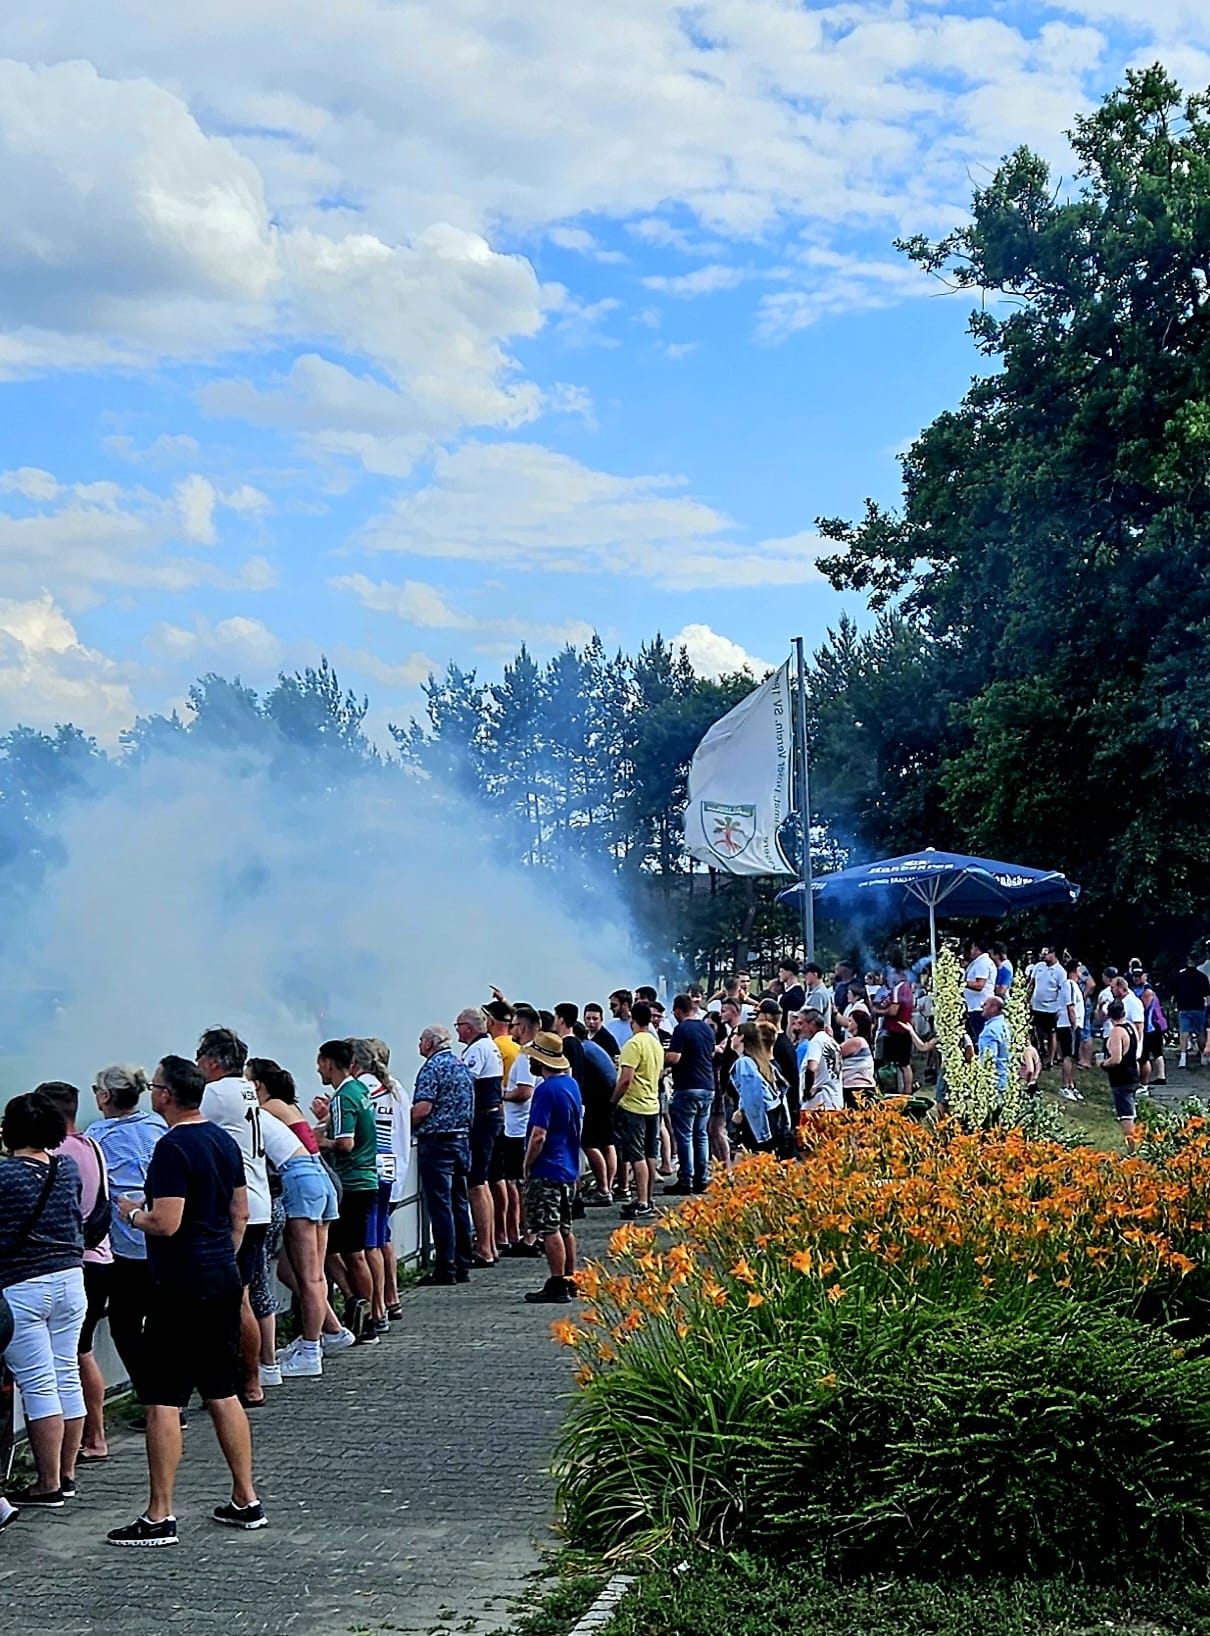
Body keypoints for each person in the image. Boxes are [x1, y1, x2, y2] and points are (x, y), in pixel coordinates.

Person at [108, 1054, 265, 1545]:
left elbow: (167, 1221)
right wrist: (222, 1257)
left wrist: (133, 1213)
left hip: (179, 1285)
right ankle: (246, 1498)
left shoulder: (173, 1148)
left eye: (155, 1085)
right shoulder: (222, 1139)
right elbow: (239, 1212)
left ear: (166, 1095)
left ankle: (159, 1515)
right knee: (222, 1390)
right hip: (220, 1275)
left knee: (161, 1399)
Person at [0, 1091, 86, 1512]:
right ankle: (67, 1475)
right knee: (66, 1373)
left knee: (37, 1384)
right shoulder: (66, 1168)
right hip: (71, 1280)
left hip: (23, 1285)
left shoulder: (4, 1175)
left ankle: (46, 1483)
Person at [248, 1059, 342, 1378]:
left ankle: (311, 1350)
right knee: (294, 1270)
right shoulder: (286, 1106)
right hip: (319, 1178)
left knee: (310, 1276)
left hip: (299, 1181)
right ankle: (329, 1331)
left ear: (257, 1084)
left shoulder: (266, 1109)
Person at [196, 1027, 273, 1405]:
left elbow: (184, 1127)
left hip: (235, 1209)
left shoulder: (214, 1093)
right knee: (242, 1296)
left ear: (211, 1061)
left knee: (235, 1300)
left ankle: (244, 1382)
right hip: (258, 1201)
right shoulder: (245, 1088)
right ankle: (251, 1379)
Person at [88, 1064, 167, 1428]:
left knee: (124, 1324)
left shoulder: (97, 1136)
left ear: (105, 1096)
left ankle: (154, 1400)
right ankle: (170, 1399)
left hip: (127, 1245)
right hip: (165, 1238)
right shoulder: (156, 1126)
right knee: (162, 1322)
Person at [39, 1082, 112, 1466]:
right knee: (82, 1352)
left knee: (73, 1357)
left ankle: (90, 1438)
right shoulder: (91, 1145)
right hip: (100, 1257)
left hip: (72, 1261)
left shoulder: (55, 1155)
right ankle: (92, 1434)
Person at [313, 1038, 379, 1344]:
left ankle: (364, 1316)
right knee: (343, 1250)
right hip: (366, 1180)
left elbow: (345, 1143)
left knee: (350, 1253)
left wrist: (317, 1143)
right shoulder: (360, 1090)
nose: (318, 1070)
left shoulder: (342, 1098)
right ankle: (361, 1306)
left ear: (328, 1062)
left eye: (319, 1063)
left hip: (352, 1182)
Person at [520, 1033, 584, 1306]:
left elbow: (538, 1134)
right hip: (569, 1165)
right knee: (565, 1227)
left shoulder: (545, 1091)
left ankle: (557, 1282)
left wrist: (527, 1163)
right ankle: (571, 1278)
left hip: (547, 1167)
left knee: (548, 1228)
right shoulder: (571, 1084)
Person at [412, 1025, 475, 1286]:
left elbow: (423, 1108)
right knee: (460, 1203)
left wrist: (405, 1122)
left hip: (438, 1144)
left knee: (440, 1207)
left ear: (429, 1044)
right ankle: (463, 1263)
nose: (418, 1045)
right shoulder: (462, 1066)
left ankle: (445, 1267)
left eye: (420, 1040)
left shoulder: (432, 1068)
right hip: (462, 1141)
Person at [455, 1006, 505, 1267]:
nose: (457, 1030)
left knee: (476, 1183)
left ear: (469, 1027)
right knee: (483, 1181)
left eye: (459, 1025)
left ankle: (484, 1247)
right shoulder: (489, 1046)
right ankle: (491, 1244)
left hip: (482, 1118)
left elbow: (465, 1083)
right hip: (493, 1115)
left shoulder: (476, 1050)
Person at [612, 1000, 663, 1220]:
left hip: (634, 1105)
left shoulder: (633, 1045)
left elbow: (625, 1079)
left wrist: (613, 1101)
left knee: (636, 1155)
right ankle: (648, 1198)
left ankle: (641, 1201)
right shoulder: (655, 1043)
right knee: (650, 1154)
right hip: (652, 1104)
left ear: (632, 1019)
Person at [495, 1005, 538, 1258]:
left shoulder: (525, 1056)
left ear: (521, 1028)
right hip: (523, 1126)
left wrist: (500, 1094)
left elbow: (524, 1092)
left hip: (517, 1128)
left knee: (517, 1182)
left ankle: (524, 1234)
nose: (510, 1030)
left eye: (513, 1025)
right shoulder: (538, 1052)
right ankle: (531, 1233)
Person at [664, 993, 716, 1195]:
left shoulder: (681, 1028)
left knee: (685, 1136)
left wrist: (662, 1059)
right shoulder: (706, 1028)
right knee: (701, 1135)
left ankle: (686, 1179)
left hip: (687, 1087)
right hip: (707, 1086)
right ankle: (701, 1179)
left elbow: (674, 1058)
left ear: (678, 1010)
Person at [565, 1015, 617, 1205]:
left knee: (589, 1144)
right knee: (607, 1143)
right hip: (608, 1100)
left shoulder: (582, 1050)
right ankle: (608, 1187)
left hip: (596, 1101)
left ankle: (603, 1188)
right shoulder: (594, 1047)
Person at [730, 1022, 789, 1150]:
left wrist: (761, 1134)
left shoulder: (744, 1063)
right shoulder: (760, 1061)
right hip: (769, 1116)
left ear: (742, 1037)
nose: (731, 1038)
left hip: (757, 1123)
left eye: (734, 1034)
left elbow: (752, 1098)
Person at [1102, 998, 1141, 1151]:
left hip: (1121, 1077)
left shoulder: (1117, 1032)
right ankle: (1134, 1144)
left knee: (1126, 1115)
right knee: (1131, 1110)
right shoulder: (1131, 1028)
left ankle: (1131, 1149)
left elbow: (1116, 1058)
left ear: (1110, 1016)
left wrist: (1103, 1064)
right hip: (1132, 1073)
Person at [875, 966, 914, 1095]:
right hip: (905, 1029)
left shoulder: (898, 989)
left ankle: (900, 1092)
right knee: (905, 1064)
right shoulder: (907, 988)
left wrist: (878, 1011)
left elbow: (893, 1011)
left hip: (896, 1030)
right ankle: (907, 1091)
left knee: (897, 1064)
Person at [1028, 949, 1066, 1068]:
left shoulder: (1060, 972)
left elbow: (1062, 991)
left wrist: (1059, 1008)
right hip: (1036, 1005)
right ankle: (1039, 1050)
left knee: (1051, 1033)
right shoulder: (1039, 966)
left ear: (1054, 954)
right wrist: (1026, 999)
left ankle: (1050, 1059)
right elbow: (1032, 983)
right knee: (1036, 1030)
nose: (1043, 955)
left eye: (1046, 953)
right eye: (1042, 953)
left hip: (1051, 1007)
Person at [799, 1013, 844, 1114]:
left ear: (812, 1024)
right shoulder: (832, 1042)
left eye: (802, 1024)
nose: (800, 1028)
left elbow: (811, 1068)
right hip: (835, 1102)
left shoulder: (816, 1041)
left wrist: (808, 1090)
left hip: (817, 1106)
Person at [1174, 954, 1210, 1070]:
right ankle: (1203, 1056)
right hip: (1198, 1007)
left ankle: (1183, 1059)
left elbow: (1175, 991)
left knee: (1184, 1033)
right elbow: (1207, 993)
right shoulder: (1202, 976)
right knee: (1200, 1032)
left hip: (1184, 1007)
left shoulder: (1180, 976)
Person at [1056, 960, 1086, 1100]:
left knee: (1073, 1056)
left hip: (1074, 1025)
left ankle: (1071, 1084)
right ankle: (1065, 1086)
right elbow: (1070, 1007)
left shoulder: (1075, 986)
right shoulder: (1069, 985)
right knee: (1068, 1055)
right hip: (1068, 1025)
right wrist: (1074, 1024)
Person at [839, 1012, 878, 1103]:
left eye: (850, 1021)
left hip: (855, 1088)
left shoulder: (857, 1041)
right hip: (861, 1088)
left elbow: (833, 1052)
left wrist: (828, 1037)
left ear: (857, 1023)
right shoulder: (862, 1041)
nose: (847, 1024)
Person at [963, 941, 997, 1043]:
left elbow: (980, 985)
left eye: (972, 948)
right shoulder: (978, 962)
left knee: (982, 1037)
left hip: (980, 1006)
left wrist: (962, 983)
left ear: (977, 949)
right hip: (975, 1006)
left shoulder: (982, 963)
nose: (971, 951)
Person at [977, 996, 1011, 1092]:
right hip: (1006, 1077)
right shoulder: (1004, 1025)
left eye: (985, 1004)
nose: (982, 1006)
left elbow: (989, 1060)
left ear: (994, 1008)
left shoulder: (990, 1031)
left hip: (994, 1083)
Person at [777, 959, 805, 1027]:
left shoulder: (795, 996)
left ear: (789, 972)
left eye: (781, 971)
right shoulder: (788, 992)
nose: (779, 974)